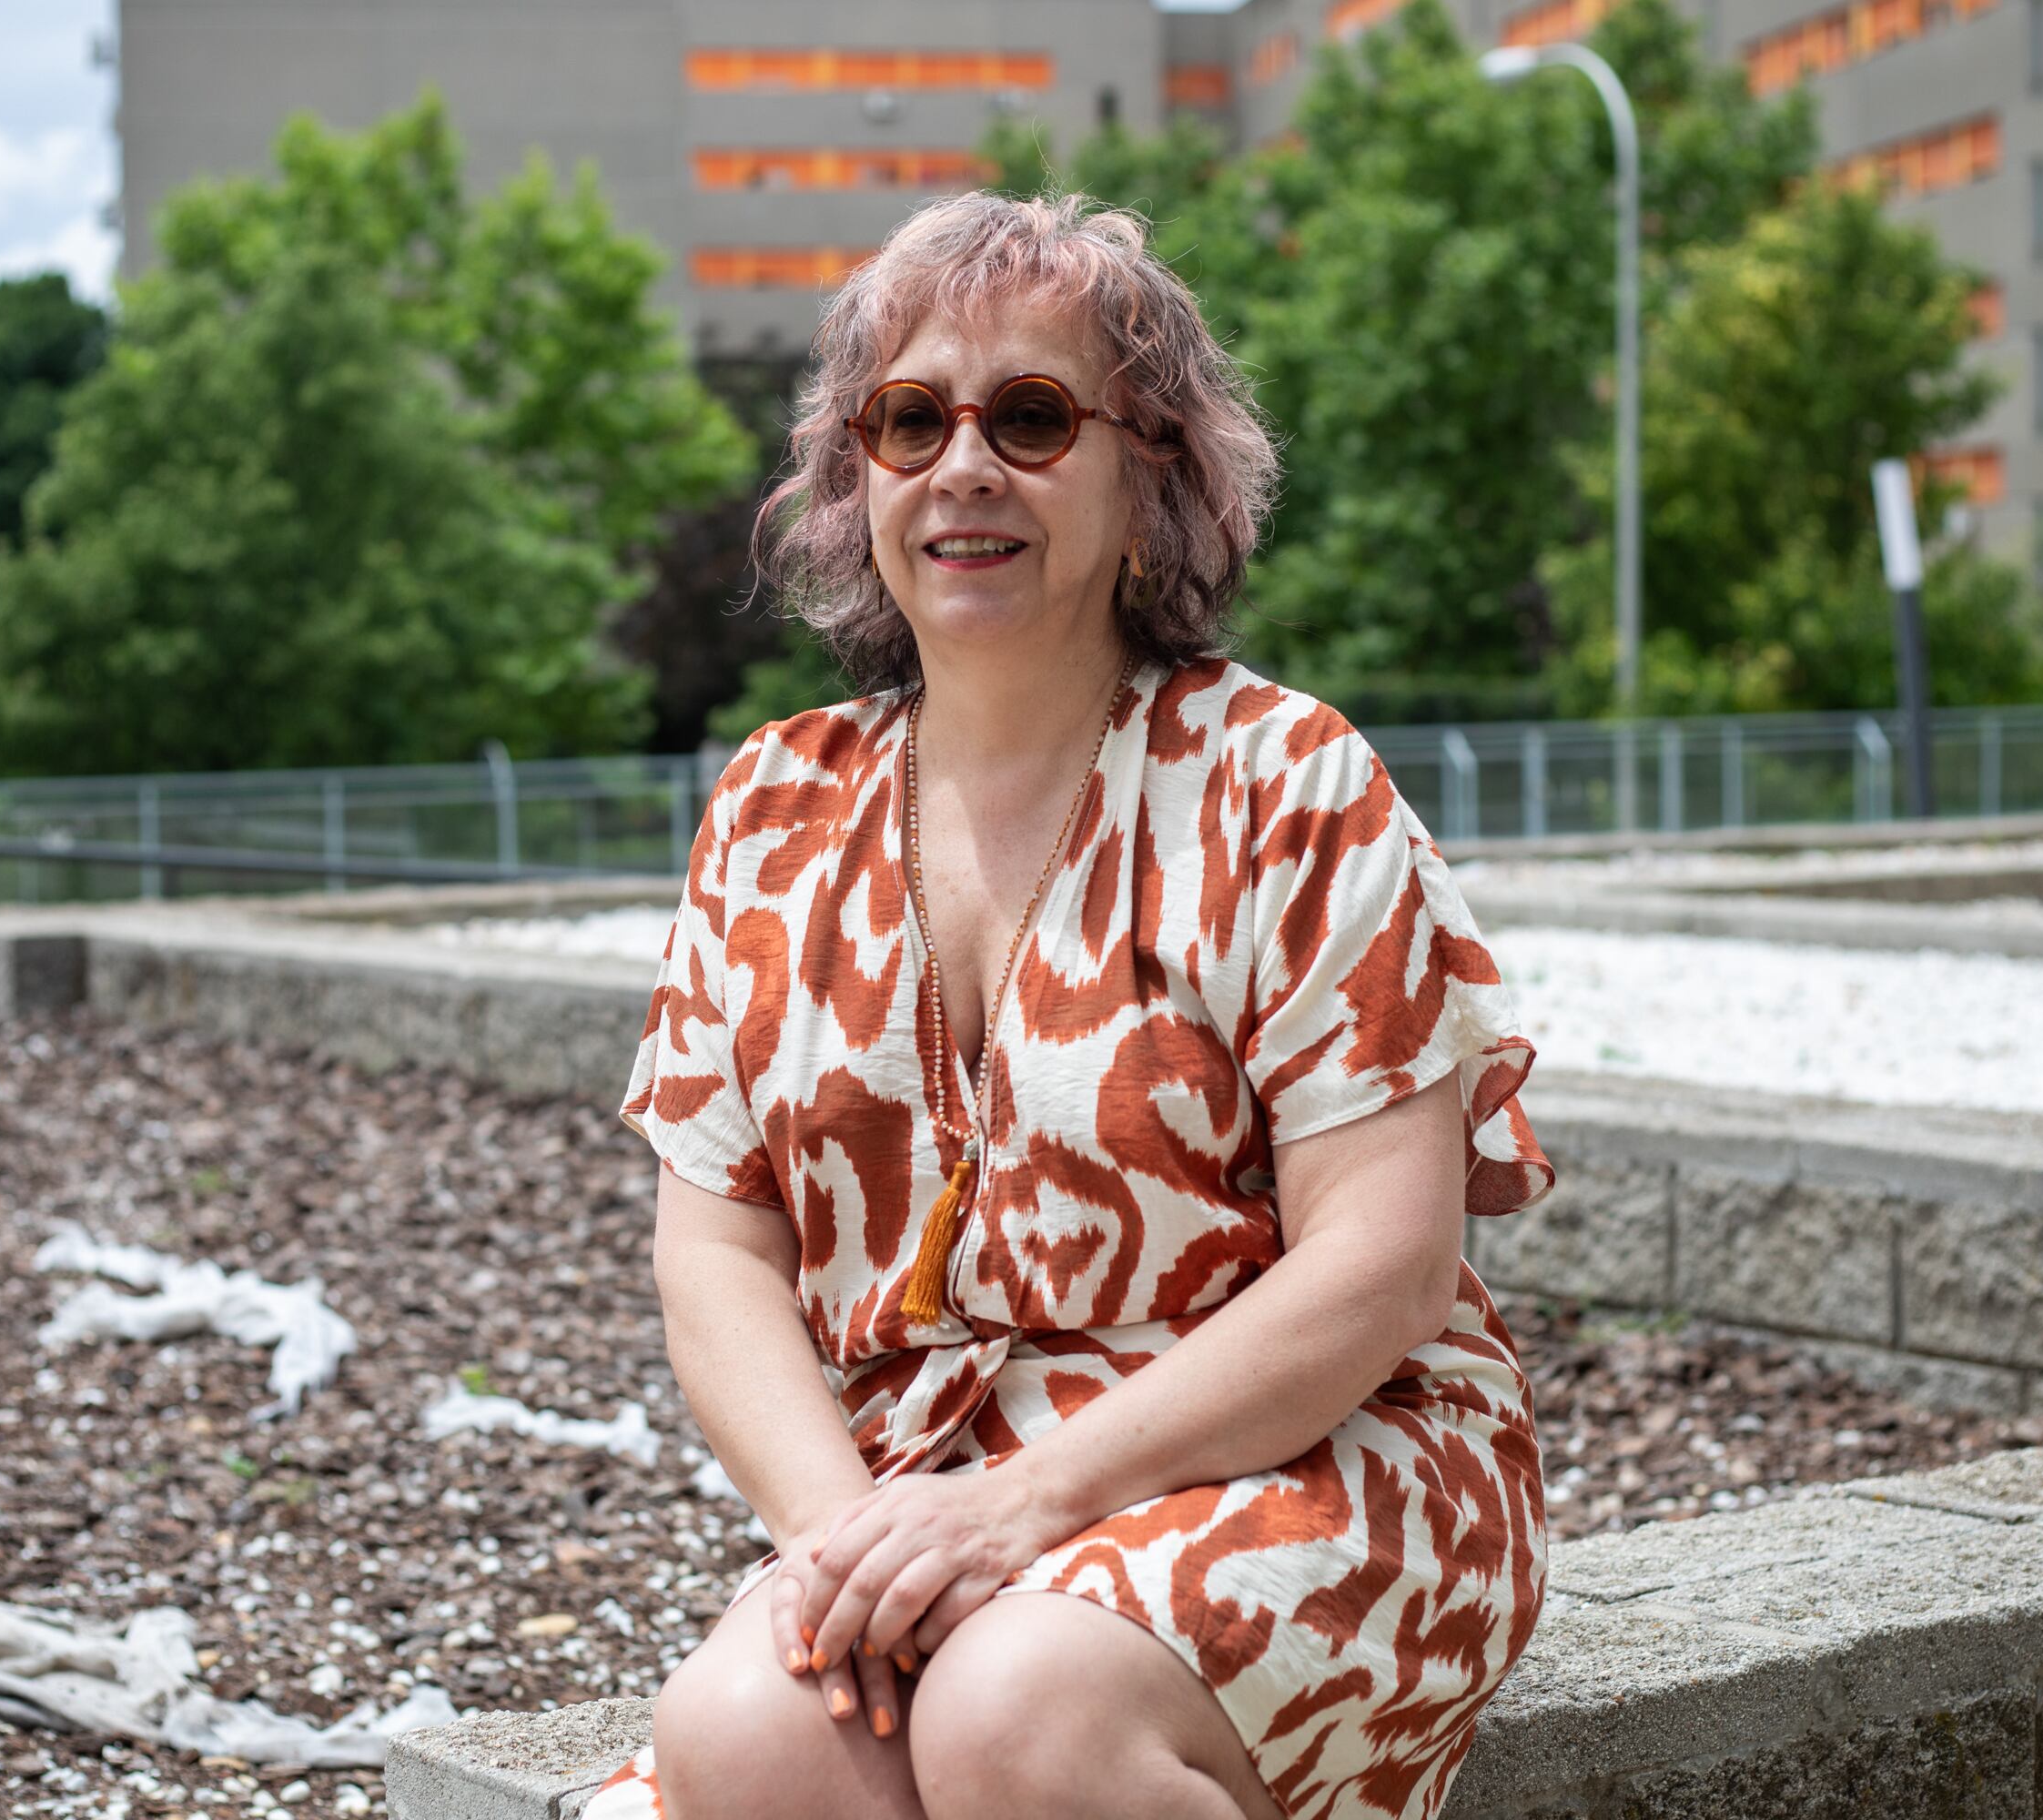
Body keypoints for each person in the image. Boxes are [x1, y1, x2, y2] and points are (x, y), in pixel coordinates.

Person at [590, 189, 1558, 1820]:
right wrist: (850, 1547)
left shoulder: (1284, 785)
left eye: (1032, 417)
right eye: (909, 419)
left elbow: (1385, 1268)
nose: (964, 465)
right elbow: (717, 1251)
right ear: (857, 477)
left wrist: (1029, 1507)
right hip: (923, 1478)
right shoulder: (772, 806)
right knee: (744, 1742)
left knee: (1014, 1711)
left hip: (1310, 1455)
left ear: (1148, 472)